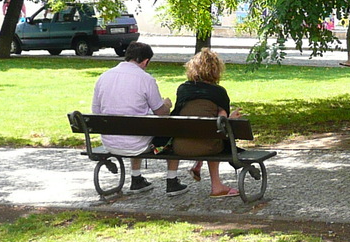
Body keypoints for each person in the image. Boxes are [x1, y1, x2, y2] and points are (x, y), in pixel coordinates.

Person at [91, 42, 190, 195]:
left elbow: (96, 111)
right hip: (137, 143)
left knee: (134, 126)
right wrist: (167, 104)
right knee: (172, 127)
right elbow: (161, 113)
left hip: (110, 142)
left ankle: (136, 178)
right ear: (146, 61)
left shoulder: (104, 77)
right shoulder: (146, 79)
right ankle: (172, 181)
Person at [178, 49, 244, 197]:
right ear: (216, 69)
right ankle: (217, 186)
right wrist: (231, 118)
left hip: (180, 146)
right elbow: (222, 124)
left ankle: (198, 164)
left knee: (207, 132)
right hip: (207, 146)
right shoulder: (218, 92)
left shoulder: (183, 89)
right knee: (214, 135)